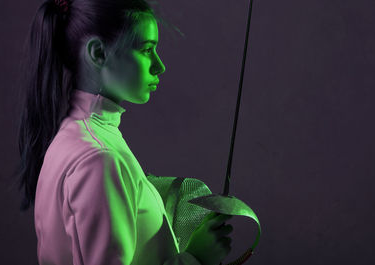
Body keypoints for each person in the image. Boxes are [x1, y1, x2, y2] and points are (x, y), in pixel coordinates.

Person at [13, 0, 233, 264]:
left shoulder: (73, 135)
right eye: (146, 49)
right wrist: (196, 258)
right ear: (98, 53)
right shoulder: (98, 158)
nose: (159, 66)